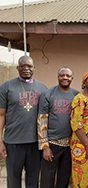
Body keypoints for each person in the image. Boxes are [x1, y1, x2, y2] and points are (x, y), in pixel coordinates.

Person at [0, 56, 47, 188]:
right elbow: (1, 115)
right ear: (17, 68)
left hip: (35, 143)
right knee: (13, 180)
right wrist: (0, 142)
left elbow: (45, 115)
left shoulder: (42, 87)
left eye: (29, 66)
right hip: (13, 142)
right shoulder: (6, 87)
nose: (26, 69)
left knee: (33, 180)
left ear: (34, 68)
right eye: (23, 66)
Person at [37, 67, 79, 188]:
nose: (65, 78)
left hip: (69, 145)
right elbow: (41, 121)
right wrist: (45, 147)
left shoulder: (76, 95)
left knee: (64, 178)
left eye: (68, 76)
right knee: (47, 178)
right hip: (52, 144)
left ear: (72, 78)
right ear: (58, 77)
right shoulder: (48, 94)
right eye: (62, 75)